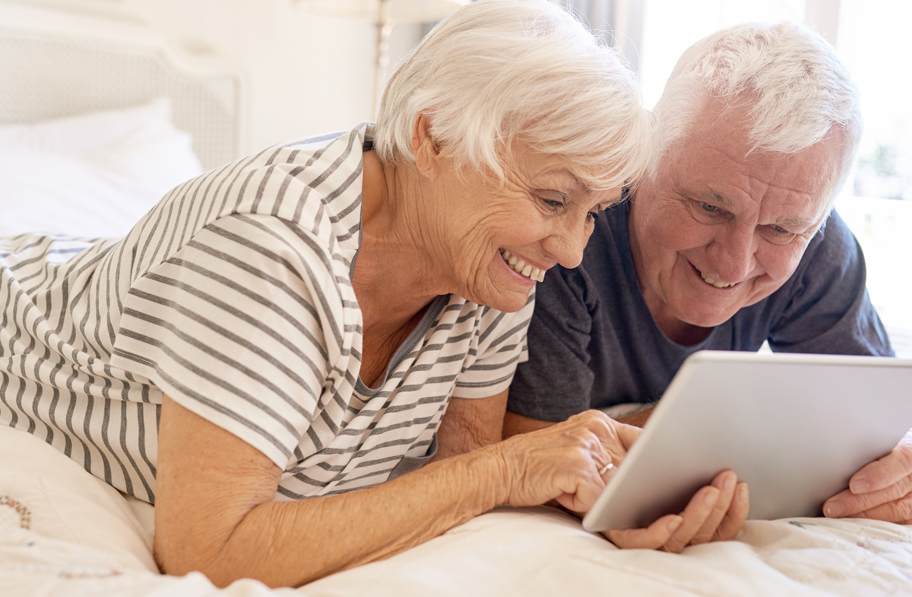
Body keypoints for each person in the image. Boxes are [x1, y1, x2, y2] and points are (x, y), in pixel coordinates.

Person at [0, 0, 681, 588]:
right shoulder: (269, 245)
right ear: (432, 138)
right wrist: (506, 469)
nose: (570, 250)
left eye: (592, 211)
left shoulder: (492, 268)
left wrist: (611, 499)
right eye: (553, 198)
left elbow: (466, 464)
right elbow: (208, 549)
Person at [506, 20, 912, 550]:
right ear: (648, 153)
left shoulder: (819, 243)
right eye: (709, 206)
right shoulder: (571, 227)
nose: (734, 262)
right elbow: (529, 452)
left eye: (782, 229)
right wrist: (748, 428)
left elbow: (896, 412)